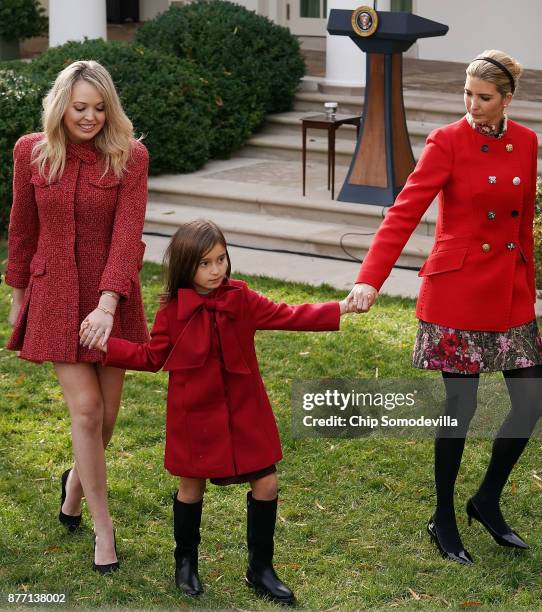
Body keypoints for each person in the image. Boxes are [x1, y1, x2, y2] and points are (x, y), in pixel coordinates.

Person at [347, 50, 541, 564]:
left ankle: (487, 499)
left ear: (507, 100)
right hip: (458, 293)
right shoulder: (448, 141)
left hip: (510, 295)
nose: (473, 106)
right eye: (467, 95)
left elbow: (522, 226)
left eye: (484, 98)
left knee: (530, 403)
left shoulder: (527, 142)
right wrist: (370, 279)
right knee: (463, 408)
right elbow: (404, 211)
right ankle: (444, 516)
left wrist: (531, 285)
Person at [95, 219, 353, 603]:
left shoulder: (241, 298)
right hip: (194, 413)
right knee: (190, 487)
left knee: (267, 483)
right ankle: (185, 564)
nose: (217, 270)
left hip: (245, 409)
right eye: (205, 263)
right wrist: (104, 346)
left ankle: (261, 570)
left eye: (222, 259)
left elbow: (289, 314)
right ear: (186, 267)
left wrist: (340, 308)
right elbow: (152, 357)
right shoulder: (172, 310)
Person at [5, 60, 149, 574]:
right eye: (79, 107)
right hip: (54, 294)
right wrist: (18, 291)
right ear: (61, 105)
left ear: (111, 107)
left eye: (99, 107)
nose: (89, 117)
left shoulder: (130, 157)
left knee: (106, 420)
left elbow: (127, 235)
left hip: (112, 297)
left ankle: (73, 487)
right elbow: (21, 225)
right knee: (86, 411)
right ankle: (103, 531)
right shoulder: (32, 153)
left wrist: (108, 304)